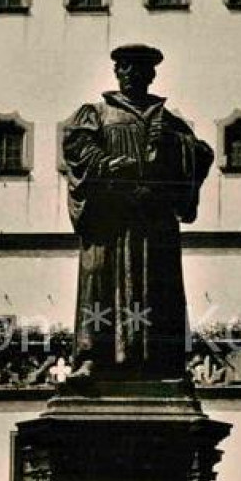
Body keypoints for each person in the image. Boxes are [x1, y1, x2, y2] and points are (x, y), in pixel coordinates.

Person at [63, 44, 213, 381]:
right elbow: (77, 149)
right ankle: (92, 357)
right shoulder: (96, 113)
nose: (129, 74)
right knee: (99, 282)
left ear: (151, 75)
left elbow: (200, 155)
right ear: (116, 72)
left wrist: (176, 147)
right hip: (109, 217)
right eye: (124, 67)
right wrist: (108, 165)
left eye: (138, 68)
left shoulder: (170, 122)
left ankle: (159, 360)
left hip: (153, 219)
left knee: (156, 287)